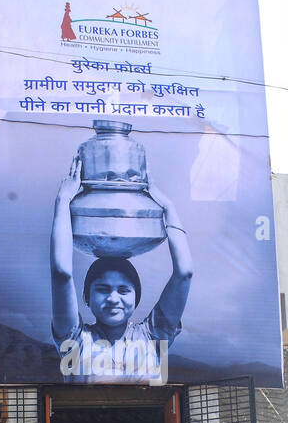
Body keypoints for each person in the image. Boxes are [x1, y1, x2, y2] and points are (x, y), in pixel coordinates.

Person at [50, 154, 192, 382]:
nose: (113, 298)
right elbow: (61, 273)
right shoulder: (74, 339)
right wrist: (63, 201)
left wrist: (168, 206)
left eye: (124, 290)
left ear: (137, 297)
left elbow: (184, 273)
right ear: (86, 297)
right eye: (103, 289)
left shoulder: (154, 337)